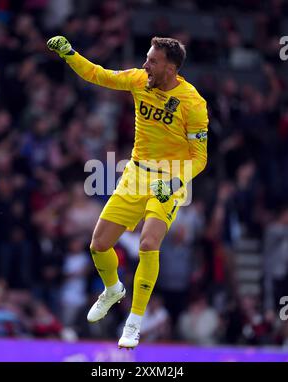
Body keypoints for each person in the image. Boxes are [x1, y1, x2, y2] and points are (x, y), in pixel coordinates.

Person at [47, 35, 209, 348]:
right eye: (147, 58)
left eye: (153, 61)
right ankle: (112, 290)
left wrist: (175, 183)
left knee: (149, 243)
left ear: (171, 68)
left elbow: (199, 157)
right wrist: (69, 54)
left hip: (169, 181)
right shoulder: (139, 80)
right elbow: (97, 73)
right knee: (98, 245)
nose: (145, 64)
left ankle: (134, 321)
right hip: (135, 175)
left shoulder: (193, 103)